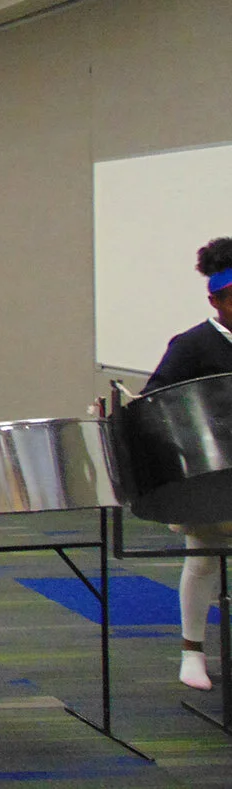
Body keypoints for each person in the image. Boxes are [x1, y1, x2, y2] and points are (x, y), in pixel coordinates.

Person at [142, 236, 232, 692]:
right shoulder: (193, 345)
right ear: (215, 300)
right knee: (203, 561)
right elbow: (154, 400)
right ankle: (191, 650)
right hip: (212, 477)